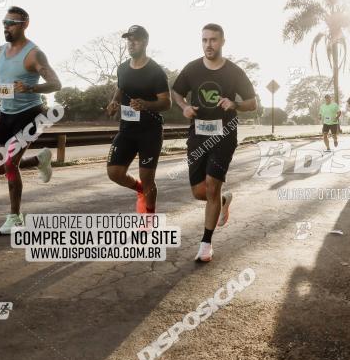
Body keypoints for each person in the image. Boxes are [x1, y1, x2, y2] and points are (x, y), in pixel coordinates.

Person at [172, 23, 257, 263]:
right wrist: (184, 106)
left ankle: (206, 243)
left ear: (222, 42)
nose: (209, 44)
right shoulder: (192, 69)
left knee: (211, 185)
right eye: (205, 40)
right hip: (198, 135)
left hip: (224, 135)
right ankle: (222, 201)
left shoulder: (234, 72)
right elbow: (176, 92)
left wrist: (235, 104)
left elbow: (252, 103)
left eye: (213, 40)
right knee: (200, 192)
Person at [0, 7, 61, 235]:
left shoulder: (34, 54)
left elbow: (56, 84)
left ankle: (15, 218)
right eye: (4, 22)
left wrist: (31, 87)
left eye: (12, 22)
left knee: (10, 164)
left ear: (25, 24)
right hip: (6, 114)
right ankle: (40, 159)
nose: (6, 26)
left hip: (30, 114)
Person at [106, 25, 171, 215]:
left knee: (148, 178)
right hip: (127, 130)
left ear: (145, 42)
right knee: (114, 173)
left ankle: (149, 220)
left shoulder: (155, 71)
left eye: (135, 39)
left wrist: (146, 105)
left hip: (149, 132)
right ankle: (140, 189)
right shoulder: (123, 68)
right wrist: (113, 103)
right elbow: (121, 89)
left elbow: (166, 103)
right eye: (128, 39)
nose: (131, 43)